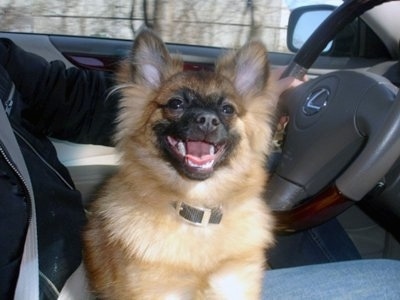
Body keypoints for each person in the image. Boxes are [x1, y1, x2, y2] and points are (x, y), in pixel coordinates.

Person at [0, 37, 399, 299]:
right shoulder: (131, 231)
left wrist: (272, 95)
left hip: (55, 243)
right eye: (177, 104)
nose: (207, 120)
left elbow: (69, 95)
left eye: (226, 110)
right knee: (389, 281)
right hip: (45, 280)